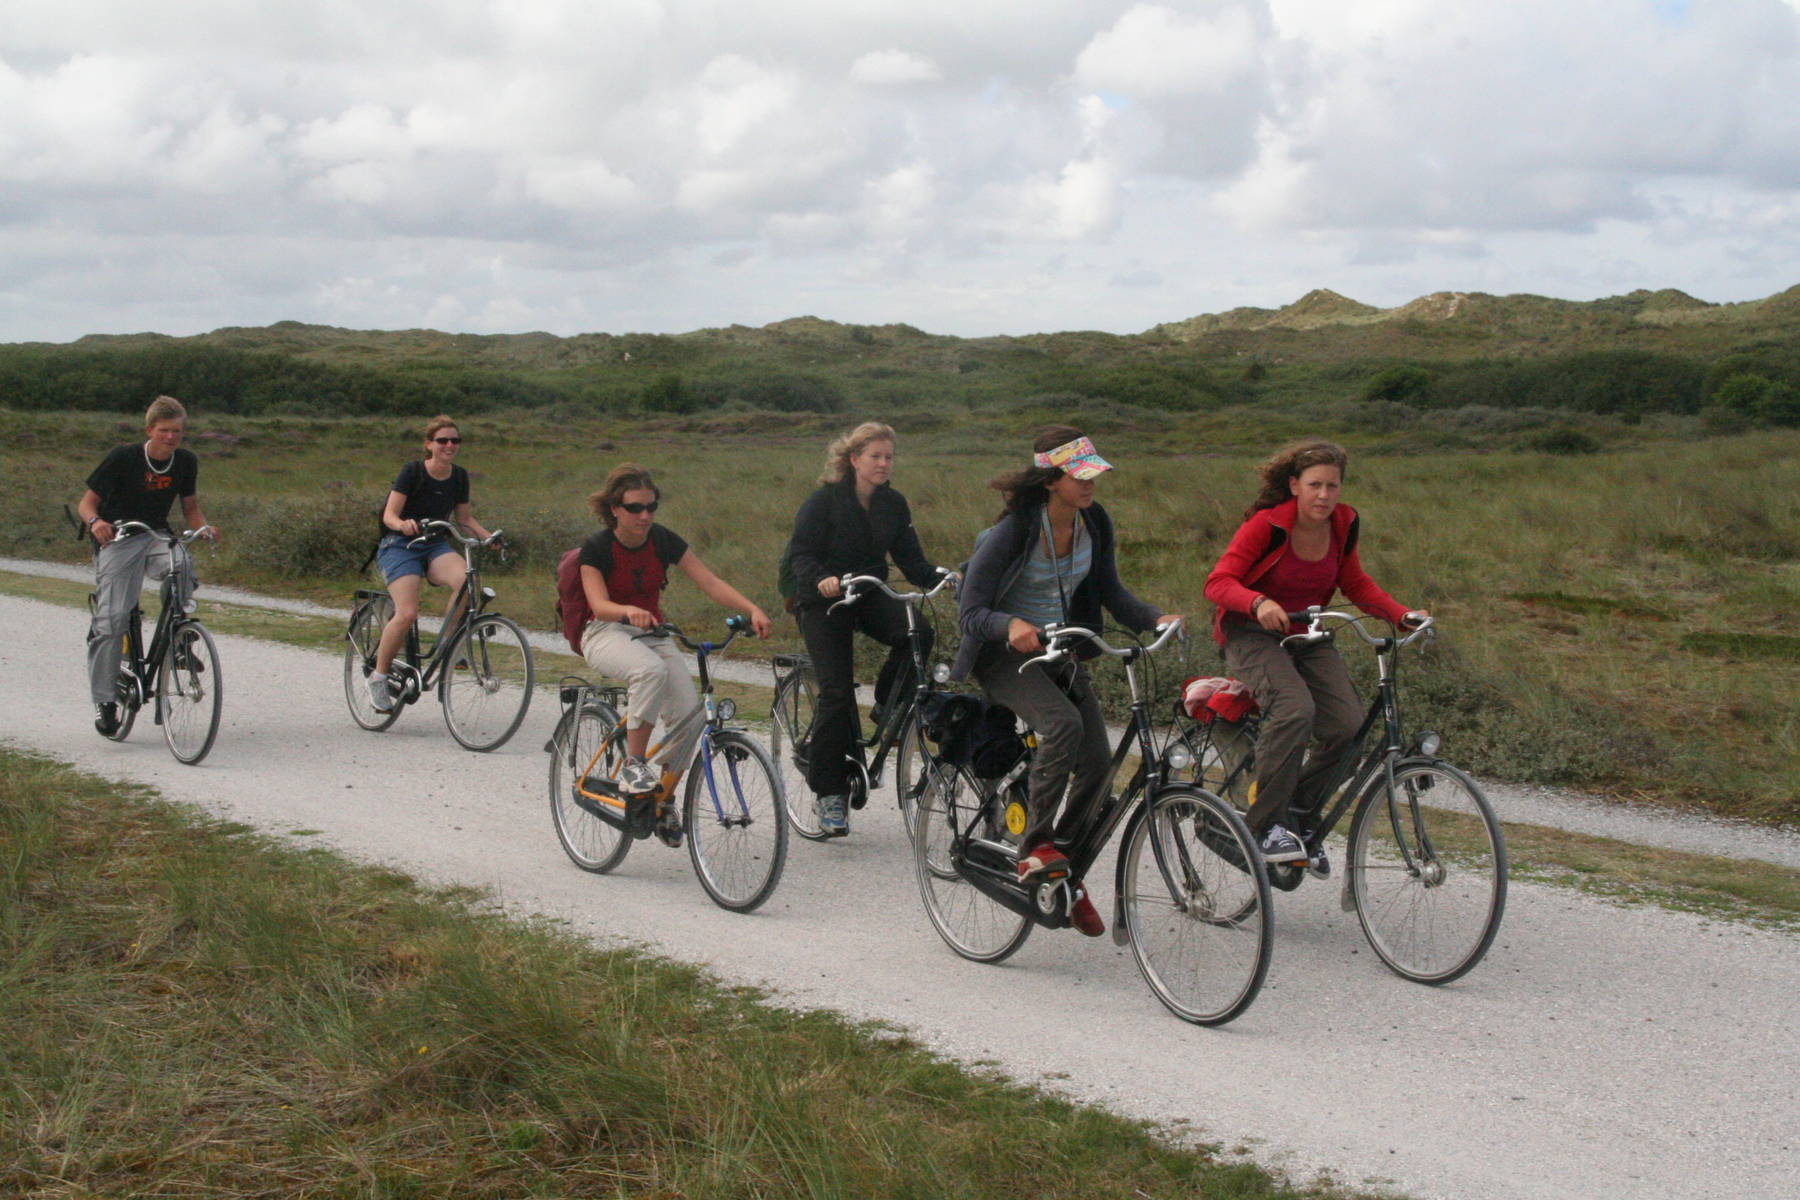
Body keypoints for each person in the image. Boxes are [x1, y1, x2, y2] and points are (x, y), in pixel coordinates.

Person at [953, 427, 1178, 938]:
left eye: (1093, 472)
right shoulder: (1013, 531)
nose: (1091, 482)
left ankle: (1063, 874)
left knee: (1099, 760)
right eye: (1080, 473)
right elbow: (971, 612)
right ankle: (1036, 846)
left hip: (1058, 650)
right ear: (1052, 479)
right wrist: (1009, 625)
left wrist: (1153, 618)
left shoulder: (1093, 521)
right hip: (1002, 654)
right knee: (1062, 726)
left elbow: (1110, 591)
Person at [1203, 438, 1427, 874]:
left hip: (1309, 632)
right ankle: (1264, 825)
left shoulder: (1345, 523)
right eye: (1315, 485)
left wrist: (1403, 616)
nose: (1324, 495)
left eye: (1333, 486)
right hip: (1252, 633)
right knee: (1294, 710)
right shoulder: (1267, 525)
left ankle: (1299, 819)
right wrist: (1256, 603)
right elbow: (1218, 582)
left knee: (1347, 728)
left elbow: (1356, 583)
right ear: (1294, 486)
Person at [579, 464, 771, 833]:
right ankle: (634, 764)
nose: (645, 515)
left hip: (652, 631)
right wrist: (627, 610)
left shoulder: (663, 540)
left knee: (690, 717)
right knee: (649, 671)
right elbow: (599, 605)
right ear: (615, 509)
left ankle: (663, 800)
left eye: (651, 507)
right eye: (635, 508)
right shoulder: (597, 547)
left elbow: (709, 582)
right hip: (605, 630)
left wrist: (751, 609)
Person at [785, 421, 949, 837]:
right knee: (837, 692)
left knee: (918, 633)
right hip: (823, 598)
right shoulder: (823, 501)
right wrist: (822, 578)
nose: (883, 463)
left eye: (888, 457)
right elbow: (800, 555)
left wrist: (942, 579)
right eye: (875, 456)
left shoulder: (894, 504)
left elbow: (912, 561)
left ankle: (885, 707)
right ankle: (829, 794)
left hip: (869, 591)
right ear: (854, 459)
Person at [77, 395, 220, 735]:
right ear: (150, 430)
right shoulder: (123, 458)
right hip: (120, 537)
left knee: (182, 563)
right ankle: (105, 699)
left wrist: (204, 528)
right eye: (164, 431)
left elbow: (190, 507)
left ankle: (179, 637)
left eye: (177, 432)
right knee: (111, 620)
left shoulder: (185, 462)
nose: (171, 438)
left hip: (155, 535)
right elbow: (86, 504)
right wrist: (96, 522)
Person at [366, 415, 496, 713]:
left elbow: (464, 520)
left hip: (435, 544)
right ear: (429, 445)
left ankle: (451, 643)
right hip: (400, 545)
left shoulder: (459, 476)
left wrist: (490, 538)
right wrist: (402, 524)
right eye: (442, 441)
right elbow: (389, 515)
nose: (450, 445)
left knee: (467, 582)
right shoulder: (412, 472)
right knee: (408, 612)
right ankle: (379, 676)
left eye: (455, 440)